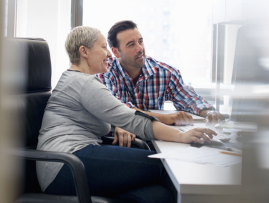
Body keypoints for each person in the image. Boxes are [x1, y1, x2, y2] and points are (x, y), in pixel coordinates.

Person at [36, 26, 217, 203]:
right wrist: (182, 136)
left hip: (70, 164)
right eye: (103, 47)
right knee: (166, 167)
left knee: (159, 196)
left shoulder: (78, 80)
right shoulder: (84, 83)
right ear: (84, 51)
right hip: (66, 167)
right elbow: (132, 119)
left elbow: (118, 116)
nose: (108, 54)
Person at [97, 20, 225, 126]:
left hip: (157, 137)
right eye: (131, 45)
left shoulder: (165, 72)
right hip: (122, 139)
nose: (140, 49)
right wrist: (165, 118)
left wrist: (209, 113)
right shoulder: (105, 72)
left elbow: (189, 99)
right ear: (116, 52)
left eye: (140, 41)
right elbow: (119, 110)